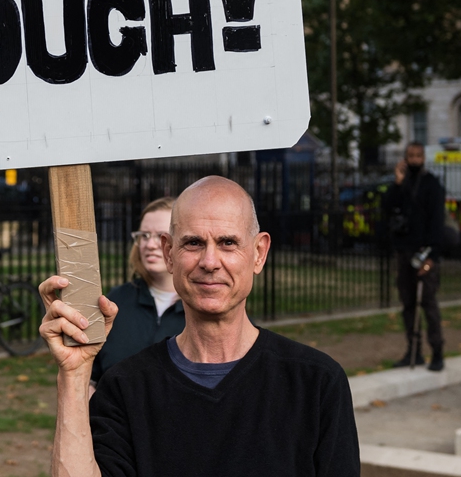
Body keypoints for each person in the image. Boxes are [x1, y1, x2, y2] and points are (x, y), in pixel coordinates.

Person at [39, 176, 359, 477]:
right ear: (169, 253)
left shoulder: (315, 384)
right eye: (193, 243)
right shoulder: (125, 388)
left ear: (259, 253)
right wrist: (74, 375)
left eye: (228, 243)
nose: (209, 261)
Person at [90, 197, 184, 386]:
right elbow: (90, 378)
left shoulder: (205, 307)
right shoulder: (114, 303)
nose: (150, 245)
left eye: (161, 236)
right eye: (144, 235)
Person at [383, 142, 447, 371]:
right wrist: (398, 183)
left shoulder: (432, 186)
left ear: (424, 158)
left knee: (428, 304)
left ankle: (437, 350)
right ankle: (414, 350)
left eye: (418, 156)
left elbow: (437, 223)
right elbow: (387, 207)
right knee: (408, 304)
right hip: (404, 251)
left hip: (425, 252)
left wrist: (431, 256)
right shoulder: (402, 185)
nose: (414, 160)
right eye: (410, 156)